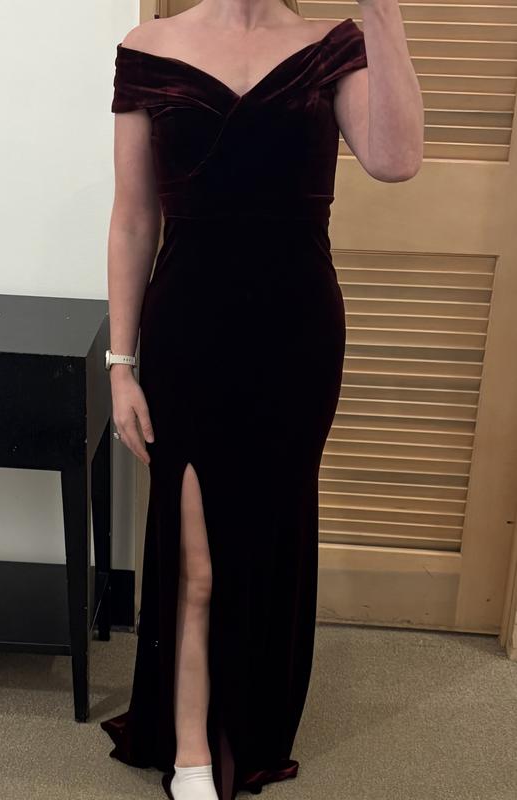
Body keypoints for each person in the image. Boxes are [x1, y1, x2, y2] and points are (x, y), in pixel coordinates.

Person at [100, 1, 423, 799]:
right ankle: (191, 747)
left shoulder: (331, 48)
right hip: (188, 331)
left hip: (296, 334)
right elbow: (134, 219)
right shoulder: (149, 48)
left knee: (269, 530)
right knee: (196, 550)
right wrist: (120, 364)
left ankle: (248, 716)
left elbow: (396, 161)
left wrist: (383, 14)